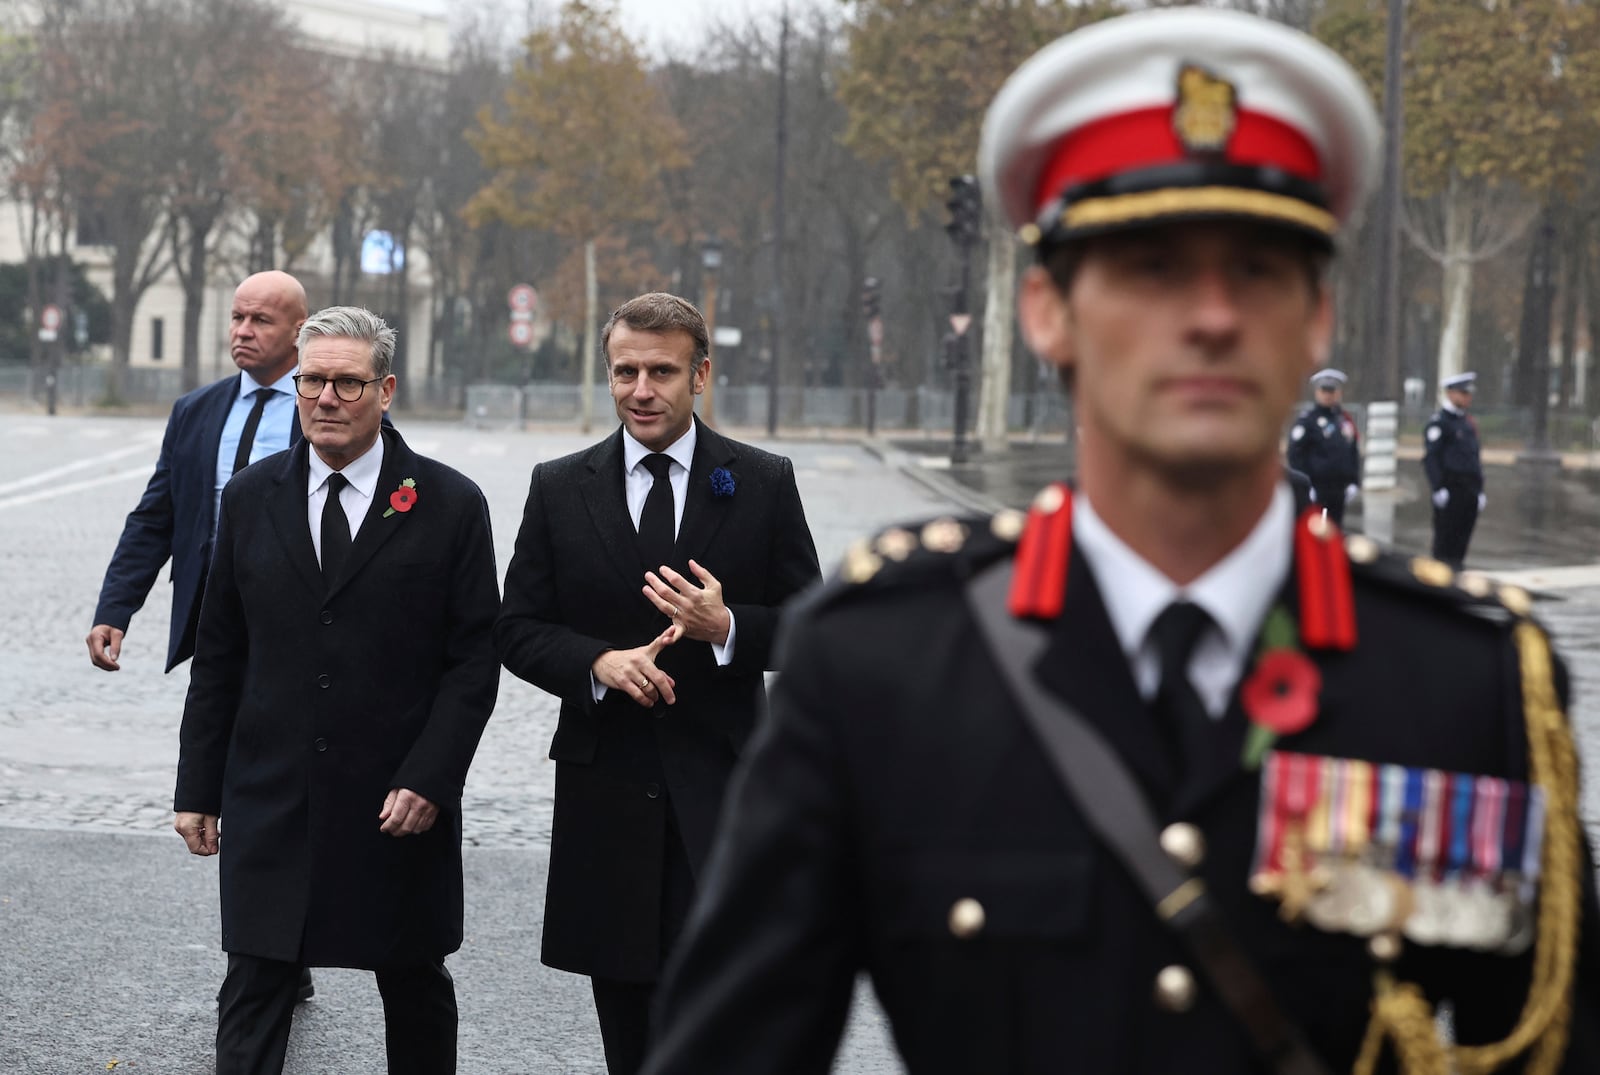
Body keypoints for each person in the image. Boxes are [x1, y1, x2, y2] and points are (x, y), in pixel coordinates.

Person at [643, 10, 1600, 1075]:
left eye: (1257, 271)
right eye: (1149, 269)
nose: (1210, 317)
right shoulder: (880, 663)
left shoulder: (1464, 683)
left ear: (1318, 316)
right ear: (1048, 310)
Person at [495, 291, 820, 1075]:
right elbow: (516, 628)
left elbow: (817, 626)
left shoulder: (764, 481)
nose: (641, 388)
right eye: (625, 371)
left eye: (662, 371)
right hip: (607, 786)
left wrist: (728, 628)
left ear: (700, 375)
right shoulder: (559, 484)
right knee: (628, 1014)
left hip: (724, 786)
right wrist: (597, 664)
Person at [173, 306, 500, 1074]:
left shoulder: (451, 504)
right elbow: (220, 654)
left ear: (385, 390)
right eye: (312, 380)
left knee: (414, 982)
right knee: (254, 982)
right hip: (272, 792)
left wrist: (431, 775)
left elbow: (474, 660)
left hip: (396, 798)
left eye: (347, 383)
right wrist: (199, 785)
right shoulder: (251, 496)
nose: (326, 397)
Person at [87, 268, 319, 1003]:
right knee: (233, 780)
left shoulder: (327, 408)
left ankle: (279, 945)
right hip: (219, 633)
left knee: (289, 785)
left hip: (305, 635)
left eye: (262, 321)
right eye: (238, 316)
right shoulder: (196, 411)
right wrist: (114, 608)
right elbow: (156, 515)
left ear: (297, 333)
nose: (243, 331)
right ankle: (265, 947)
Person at [1424, 371, 1485, 569]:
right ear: (1450, 394)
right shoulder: (1440, 422)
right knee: (1444, 545)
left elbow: (1474, 459)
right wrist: (1438, 488)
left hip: (1469, 491)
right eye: (1463, 393)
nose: (1468, 397)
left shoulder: (1467, 422)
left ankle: (1456, 579)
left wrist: (1480, 490)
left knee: (1461, 543)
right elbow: (1431, 459)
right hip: (1451, 490)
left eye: (1469, 393)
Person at [1287, 368, 1361, 526]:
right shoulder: (1308, 421)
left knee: (1336, 531)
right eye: (1324, 391)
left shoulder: (1344, 420)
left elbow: (1352, 451)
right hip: (1317, 487)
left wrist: (1354, 481)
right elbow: (1295, 454)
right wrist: (1304, 486)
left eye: (1332, 391)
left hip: (1339, 489)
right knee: (1316, 532)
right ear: (1317, 392)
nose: (1328, 395)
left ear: (1339, 393)